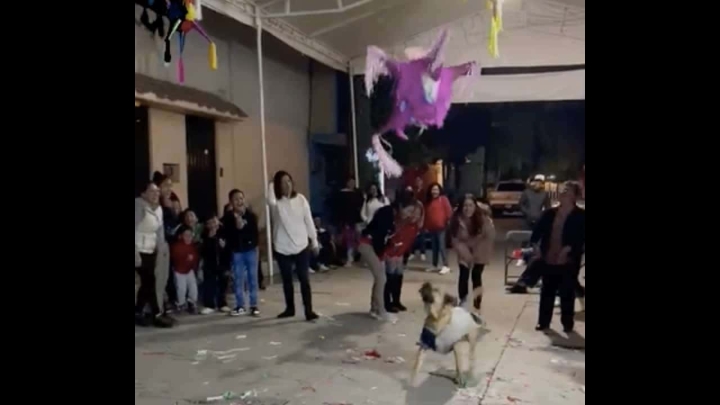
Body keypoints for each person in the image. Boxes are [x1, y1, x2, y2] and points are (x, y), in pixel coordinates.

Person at [530, 182, 586, 333]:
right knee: (547, 290)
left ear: (574, 195)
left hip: (568, 260)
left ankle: (567, 323)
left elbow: (581, 238)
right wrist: (536, 248)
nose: (564, 194)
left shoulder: (580, 216)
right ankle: (543, 322)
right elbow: (537, 233)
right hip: (549, 258)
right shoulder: (550, 213)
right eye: (562, 191)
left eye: (567, 192)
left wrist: (569, 249)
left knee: (567, 292)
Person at [267, 171, 320, 321]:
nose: (287, 185)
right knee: (287, 280)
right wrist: (271, 184)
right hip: (282, 246)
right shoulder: (276, 204)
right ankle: (290, 308)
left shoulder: (301, 199)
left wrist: (314, 241)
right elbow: (270, 199)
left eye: (289, 181)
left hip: (301, 245)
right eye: (283, 182)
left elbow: (308, 221)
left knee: (304, 279)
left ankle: (309, 310)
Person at [358, 189, 416, 321]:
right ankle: (381, 311)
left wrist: (390, 246)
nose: (409, 214)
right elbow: (378, 236)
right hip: (367, 244)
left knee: (379, 278)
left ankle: (374, 308)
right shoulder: (387, 213)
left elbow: (386, 237)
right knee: (381, 278)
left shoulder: (395, 216)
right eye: (408, 211)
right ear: (401, 206)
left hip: (375, 246)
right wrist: (382, 254)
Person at [135, 182, 173, 328]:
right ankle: (156, 314)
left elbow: (159, 232)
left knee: (148, 282)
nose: (156, 194)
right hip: (138, 249)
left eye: (157, 191)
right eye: (152, 191)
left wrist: (161, 250)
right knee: (149, 281)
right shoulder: (138, 206)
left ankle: (139, 312)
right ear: (143, 194)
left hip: (151, 250)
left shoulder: (158, 209)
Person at [449, 194, 495, 312]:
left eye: (470, 205)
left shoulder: (483, 219)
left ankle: (477, 304)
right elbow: (455, 239)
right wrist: (465, 253)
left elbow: (488, 237)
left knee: (476, 275)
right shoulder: (456, 219)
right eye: (465, 206)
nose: (467, 208)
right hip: (464, 250)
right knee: (463, 274)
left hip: (480, 250)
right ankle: (464, 302)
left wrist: (475, 254)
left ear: (475, 207)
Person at [222, 189, 261, 317]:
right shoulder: (228, 217)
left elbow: (255, 234)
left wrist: (243, 227)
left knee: (252, 278)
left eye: (241, 198)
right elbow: (225, 233)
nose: (239, 201)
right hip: (237, 251)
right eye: (236, 199)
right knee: (238, 279)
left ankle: (254, 305)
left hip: (250, 250)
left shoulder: (251, 216)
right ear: (231, 202)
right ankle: (240, 305)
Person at [382, 191, 423, 313]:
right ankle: (387, 303)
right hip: (389, 252)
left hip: (399, 252)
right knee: (390, 277)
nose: (414, 215)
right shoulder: (397, 223)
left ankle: (396, 301)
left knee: (398, 275)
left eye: (417, 213)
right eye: (410, 212)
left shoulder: (413, 226)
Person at [153, 172, 181, 311]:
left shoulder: (171, 200)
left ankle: (169, 301)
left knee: (167, 274)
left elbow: (175, 223)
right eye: (166, 186)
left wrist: (170, 208)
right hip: (154, 245)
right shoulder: (153, 203)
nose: (169, 189)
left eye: (170, 185)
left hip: (167, 244)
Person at [200, 217, 230, 314]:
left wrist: (224, 247)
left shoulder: (224, 232)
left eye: (214, 221)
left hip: (222, 263)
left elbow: (228, 249)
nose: (213, 224)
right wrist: (209, 238)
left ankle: (222, 303)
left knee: (223, 284)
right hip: (209, 264)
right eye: (210, 222)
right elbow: (203, 251)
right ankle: (209, 305)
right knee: (209, 284)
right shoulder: (204, 235)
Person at [331, 177, 364, 266]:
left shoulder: (358, 193)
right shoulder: (342, 193)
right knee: (349, 239)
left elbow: (361, 204)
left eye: (353, 182)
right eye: (350, 182)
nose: (352, 184)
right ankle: (349, 257)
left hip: (357, 219)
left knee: (359, 238)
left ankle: (359, 256)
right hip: (347, 219)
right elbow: (340, 208)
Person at [423, 183, 453, 274]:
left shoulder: (443, 199)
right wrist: (426, 226)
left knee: (441, 246)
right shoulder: (428, 201)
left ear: (439, 190)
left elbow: (449, 211)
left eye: (436, 189)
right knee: (434, 247)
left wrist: (448, 221)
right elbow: (427, 215)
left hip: (441, 227)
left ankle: (446, 265)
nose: (434, 191)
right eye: (433, 189)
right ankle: (434, 265)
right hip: (432, 228)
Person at [171, 226, 200, 314]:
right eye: (186, 235)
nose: (188, 237)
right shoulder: (177, 246)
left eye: (190, 235)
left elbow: (196, 258)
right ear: (181, 236)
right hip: (179, 271)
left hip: (189, 270)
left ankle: (192, 302)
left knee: (193, 287)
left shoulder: (192, 246)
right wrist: (186, 258)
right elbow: (175, 257)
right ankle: (181, 303)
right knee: (181, 288)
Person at [408, 177, 427, 261]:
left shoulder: (424, 192)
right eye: (417, 181)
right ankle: (412, 252)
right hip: (413, 215)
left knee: (422, 235)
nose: (418, 182)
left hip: (421, 214)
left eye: (419, 181)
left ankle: (422, 252)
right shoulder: (413, 191)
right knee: (412, 236)